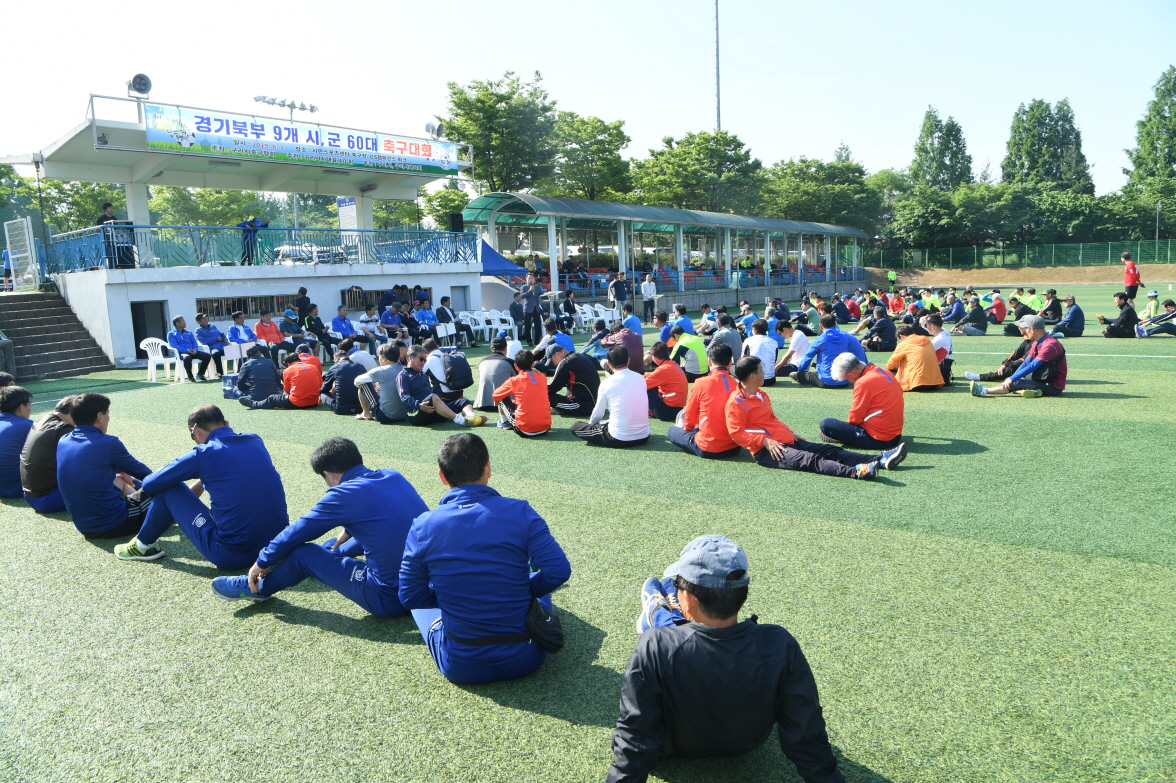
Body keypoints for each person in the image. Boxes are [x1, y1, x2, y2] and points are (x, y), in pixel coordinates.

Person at [610, 534, 846, 783]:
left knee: (660, 630)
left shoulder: (655, 645)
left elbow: (635, 734)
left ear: (688, 598)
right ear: (742, 594)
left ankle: (656, 610)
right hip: (745, 744)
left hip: (669, 749)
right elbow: (806, 730)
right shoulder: (779, 642)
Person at [399, 433, 571, 684]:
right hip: (527, 657)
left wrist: (453, 597)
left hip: (461, 665)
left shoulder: (422, 525)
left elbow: (410, 596)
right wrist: (523, 590)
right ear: (488, 468)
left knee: (423, 606)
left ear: (442, 476)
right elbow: (558, 571)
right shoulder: (520, 510)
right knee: (534, 580)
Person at [211, 437, 429, 613]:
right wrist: (350, 531)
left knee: (304, 554)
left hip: (389, 598)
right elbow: (389, 523)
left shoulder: (343, 494)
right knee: (341, 542)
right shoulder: (393, 475)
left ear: (329, 475)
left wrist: (263, 560)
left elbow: (298, 531)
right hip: (427, 587)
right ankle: (333, 552)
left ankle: (257, 588)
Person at [114, 404, 288, 566]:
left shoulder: (204, 453)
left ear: (195, 431)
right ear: (226, 424)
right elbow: (235, 475)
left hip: (232, 555)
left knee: (168, 486)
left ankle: (142, 546)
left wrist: (164, 473)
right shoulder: (254, 441)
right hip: (277, 548)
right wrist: (203, 480)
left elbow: (150, 483)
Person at [727, 356, 904, 481]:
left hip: (784, 440)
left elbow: (771, 419)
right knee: (812, 460)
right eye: (761, 370)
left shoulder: (761, 394)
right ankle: (858, 472)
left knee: (827, 450)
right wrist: (765, 442)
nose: (764, 372)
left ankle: (878, 459)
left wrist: (790, 433)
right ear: (752, 376)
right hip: (768, 451)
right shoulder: (736, 402)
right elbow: (736, 434)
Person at [56, 393, 153, 538]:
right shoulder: (108, 443)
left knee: (119, 479)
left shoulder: (64, 440)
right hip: (114, 523)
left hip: (83, 525)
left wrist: (122, 470)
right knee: (162, 488)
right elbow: (147, 475)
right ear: (100, 416)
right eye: (108, 413)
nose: (109, 418)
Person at [668, 341, 740, 460]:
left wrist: (687, 430)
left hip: (708, 447)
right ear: (730, 362)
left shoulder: (701, 383)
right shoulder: (737, 385)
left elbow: (690, 413)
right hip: (734, 447)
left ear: (709, 362)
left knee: (672, 431)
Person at [818, 354, 905, 450]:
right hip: (896, 435)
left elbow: (855, 417)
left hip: (878, 439)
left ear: (852, 373)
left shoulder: (863, 382)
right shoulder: (884, 371)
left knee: (826, 423)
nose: (850, 382)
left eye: (847, 378)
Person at [571, 346, 650, 448]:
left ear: (609, 363)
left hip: (618, 438)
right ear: (628, 360)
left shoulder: (606, 383)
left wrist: (591, 426)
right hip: (644, 436)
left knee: (575, 426)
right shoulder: (640, 378)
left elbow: (598, 414)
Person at [971, 315, 1067, 398]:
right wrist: (1012, 377)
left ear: (1032, 329)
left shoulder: (1049, 345)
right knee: (1014, 378)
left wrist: (1012, 379)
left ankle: (984, 391)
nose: (1023, 330)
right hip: (1041, 378)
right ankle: (1030, 391)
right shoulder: (1037, 342)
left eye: (1025, 328)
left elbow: (1033, 365)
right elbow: (1026, 362)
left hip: (1053, 387)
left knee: (1015, 382)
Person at [398, 344, 487, 428]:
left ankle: (471, 418)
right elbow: (404, 397)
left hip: (431, 412)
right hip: (416, 414)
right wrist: (419, 406)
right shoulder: (403, 375)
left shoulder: (423, 375)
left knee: (463, 401)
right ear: (410, 357)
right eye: (421, 359)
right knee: (433, 397)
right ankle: (460, 420)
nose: (424, 362)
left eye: (425, 359)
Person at [20, 396, 74, 513]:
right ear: (74, 412)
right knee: (106, 478)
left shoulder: (41, 421)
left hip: (31, 496)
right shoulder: (62, 429)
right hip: (48, 498)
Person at [791, 315, 867, 388]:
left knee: (795, 374)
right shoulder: (845, 337)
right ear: (835, 325)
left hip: (826, 381)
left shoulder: (819, 340)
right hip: (844, 380)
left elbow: (807, 357)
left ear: (820, 326)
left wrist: (800, 370)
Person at [492, 349, 551, 437]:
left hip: (524, 429)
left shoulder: (514, 380)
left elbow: (496, 395)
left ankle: (504, 423)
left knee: (502, 398)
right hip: (546, 427)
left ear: (515, 366)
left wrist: (513, 404)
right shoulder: (543, 377)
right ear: (532, 364)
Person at [240, 350, 323, 410]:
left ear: (288, 363)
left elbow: (287, 390)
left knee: (272, 398)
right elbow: (321, 385)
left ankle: (254, 404)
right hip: (315, 402)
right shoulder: (313, 367)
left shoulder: (288, 370)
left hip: (298, 402)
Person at [355, 340, 409, 423]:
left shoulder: (380, 370)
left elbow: (357, 381)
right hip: (405, 414)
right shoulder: (405, 369)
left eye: (379, 357)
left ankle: (366, 414)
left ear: (384, 358)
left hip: (386, 416)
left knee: (363, 384)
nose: (379, 360)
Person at [546, 343, 601, 417]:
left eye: (552, 361)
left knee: (546, 396)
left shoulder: (565, 363)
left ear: (557, 354)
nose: (554, 364)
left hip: (583, 407)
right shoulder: (580, 357)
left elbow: (552, 387)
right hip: (596, 404)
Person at [886, 325, 944, 392]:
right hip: (934, 383)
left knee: (888, 371)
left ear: (901, 336)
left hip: (917, 384)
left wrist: (897, 366)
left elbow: (890, 365)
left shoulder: (904, 344)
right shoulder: (927, 341)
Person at [0, 386, 34, 499]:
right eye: (29, 404)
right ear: (21, 407)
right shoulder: (28, 425)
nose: (31, 407)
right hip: (16, 488)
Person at [644, 341, 688, 421]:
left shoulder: (663, 369)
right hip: (677, 408)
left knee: (645, 388)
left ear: (654, 357)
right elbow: (652, 376)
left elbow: (642, 384)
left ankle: (647, 411)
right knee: (652, 384)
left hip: (668, 411)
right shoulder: (673, 364)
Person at [475, 337, 517, 411]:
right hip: (505, 404)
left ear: (491, 349)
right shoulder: (510, 362)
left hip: (482, 404)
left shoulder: (482, 362)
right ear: (506, 348)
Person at [319, 349, 365, 416]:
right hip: (361, 407)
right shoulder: (360, 366)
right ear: (348, 357)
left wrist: (320, 393)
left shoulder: (335, 367)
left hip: (341, 408)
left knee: (323, 394)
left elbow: (325, 388)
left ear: (336, 360)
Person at [168, 315, 213, 382]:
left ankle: (200, 374)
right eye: (183, 321)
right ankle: (190, 377)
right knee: (187, 358)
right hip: (181, 353)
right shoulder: (171, 334)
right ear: (177, 323)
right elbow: (174, 345)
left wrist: (195, 350)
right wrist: (186, 350)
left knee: (207, 356)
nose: (185, 322)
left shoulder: (188, 332)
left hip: (192, 351)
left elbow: (194, 342)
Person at [741, 319, 779, 386]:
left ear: (754, 330)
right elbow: (774, 359)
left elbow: (743, 360)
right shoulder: (774, 342)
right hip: (771, 380)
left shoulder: (748, 340)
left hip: (753, 380)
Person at [192, 313, 229, 378]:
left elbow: (222, 334)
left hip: (223, 346)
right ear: (199, 322)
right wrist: (216, 338)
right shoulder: (199, 330)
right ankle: (221, 373)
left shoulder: (213, 326)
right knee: (216, 354)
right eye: (203, 319)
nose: (206, 320)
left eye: (206, 318)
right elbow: (203, 341)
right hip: (214, 348)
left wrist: (225, 339)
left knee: (238, 350)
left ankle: (239, 371)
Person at [519, 273, 543, 345]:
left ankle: (537, 341)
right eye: (529, 278)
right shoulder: (523, 287)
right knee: (527, 326)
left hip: (536, 308)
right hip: (528, 309)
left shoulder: (538, 287)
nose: (530, 279)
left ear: (534, 279)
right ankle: (529, 341)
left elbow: (541, 294)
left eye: (531, 278)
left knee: (538, 326)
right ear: (526, 279)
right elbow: (522, 296)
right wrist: (530, 290)